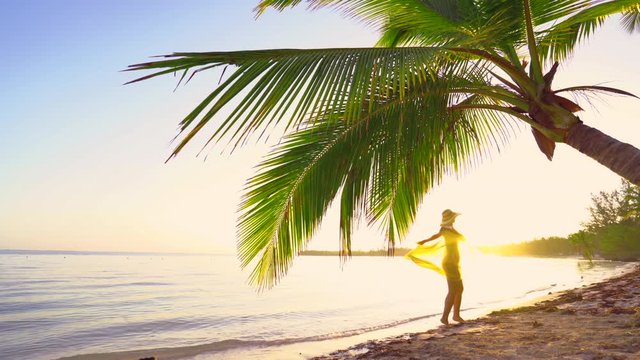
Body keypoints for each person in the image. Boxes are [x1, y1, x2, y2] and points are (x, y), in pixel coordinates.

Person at [405, 209, 465, 325]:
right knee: (452, 290)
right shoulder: (444, 229)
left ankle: (456, 315)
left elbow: (461, 237)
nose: (455, 219)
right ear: (450, 219)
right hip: (449, 263)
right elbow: (436, 236)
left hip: (455, 262)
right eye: (453, 218)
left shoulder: (452, 229)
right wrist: (425, 241)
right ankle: (444, 317)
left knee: (460, 289)